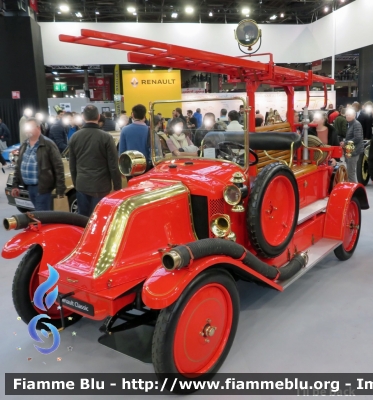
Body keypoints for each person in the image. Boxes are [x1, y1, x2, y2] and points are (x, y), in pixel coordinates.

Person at [69, 105, 121, 217]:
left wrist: (76, 183)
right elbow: (113, 165)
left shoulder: (74, 137)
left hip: (82, 184)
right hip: (101, 186)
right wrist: (117, 186)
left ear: (83, 117)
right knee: (99, 218)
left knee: (83, 219)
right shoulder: (106, 137)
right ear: (98, 117)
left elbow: (72, 165)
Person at [11, 117, 65, 211]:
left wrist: (60, 189)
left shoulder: (48, 144)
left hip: (42, 188)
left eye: (30, 127)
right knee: (38, 214)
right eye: (26, 127)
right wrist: (15, 185)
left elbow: (58, 167)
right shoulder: (24, 145)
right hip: (29, 187)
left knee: (42, 216)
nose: (27, 129)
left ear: (38, 128)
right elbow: (19, 166)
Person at [341, 108, 364, 183]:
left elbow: (357, 138)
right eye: (346, 115)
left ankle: (354, 190)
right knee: (350, 171)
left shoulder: (356, 124)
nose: (347, 116)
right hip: (349, 150)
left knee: (351, 172)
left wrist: (345, 142)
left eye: (349, 115)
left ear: (354, 115)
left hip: (354, 151)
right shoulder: (350, 124)